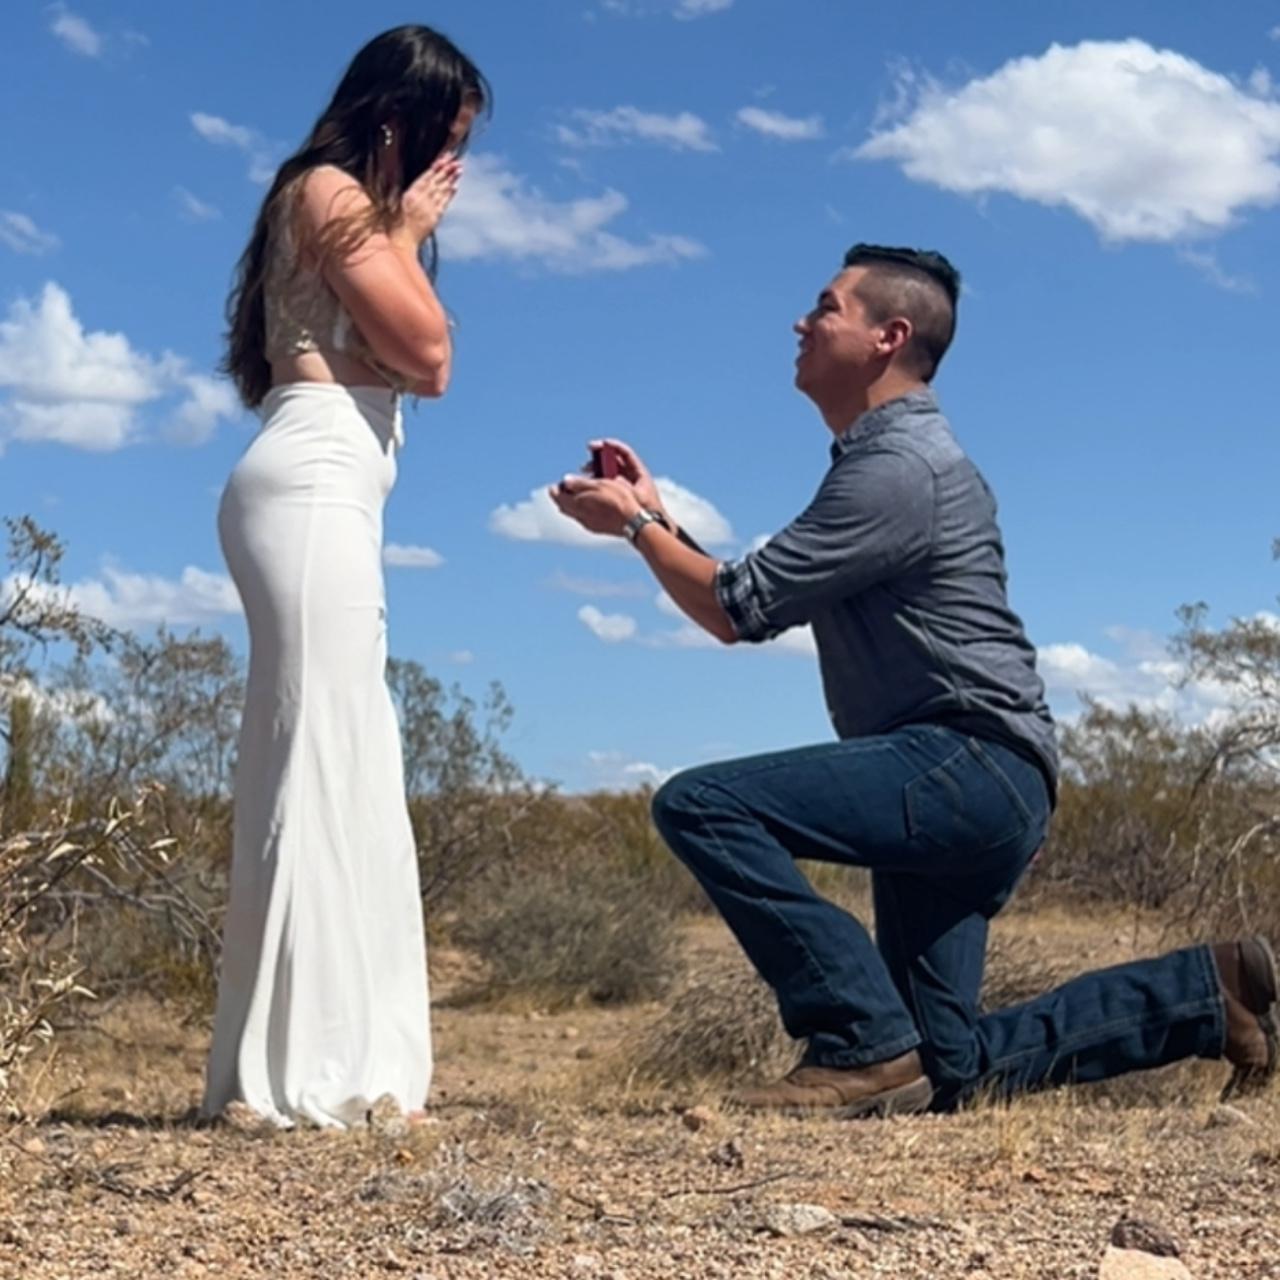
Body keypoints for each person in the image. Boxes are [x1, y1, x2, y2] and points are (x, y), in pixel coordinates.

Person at [550, 244, 1277, 1116]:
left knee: (702, 805)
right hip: (976, 775)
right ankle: (1208, 993)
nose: (801, 322)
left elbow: (734, 610)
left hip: (962, 762)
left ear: (888, 336)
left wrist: (635, 527)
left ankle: (856, 1040)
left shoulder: (899, 470)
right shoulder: (883, 466)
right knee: (949, 1068)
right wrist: (657, 516)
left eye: (825, 307)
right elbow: (746, 591)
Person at [203, 25, 489, 1128]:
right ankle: (301, 1076)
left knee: (336, 749)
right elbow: (429, 356)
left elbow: (416, 360)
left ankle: (330, 1063)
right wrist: (408, 233)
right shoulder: (329, 193)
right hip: (314, 479)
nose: (445, 174)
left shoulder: (335, 204)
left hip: (327, 483)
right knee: (318, 751)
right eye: (442, 144)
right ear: (394, 123)